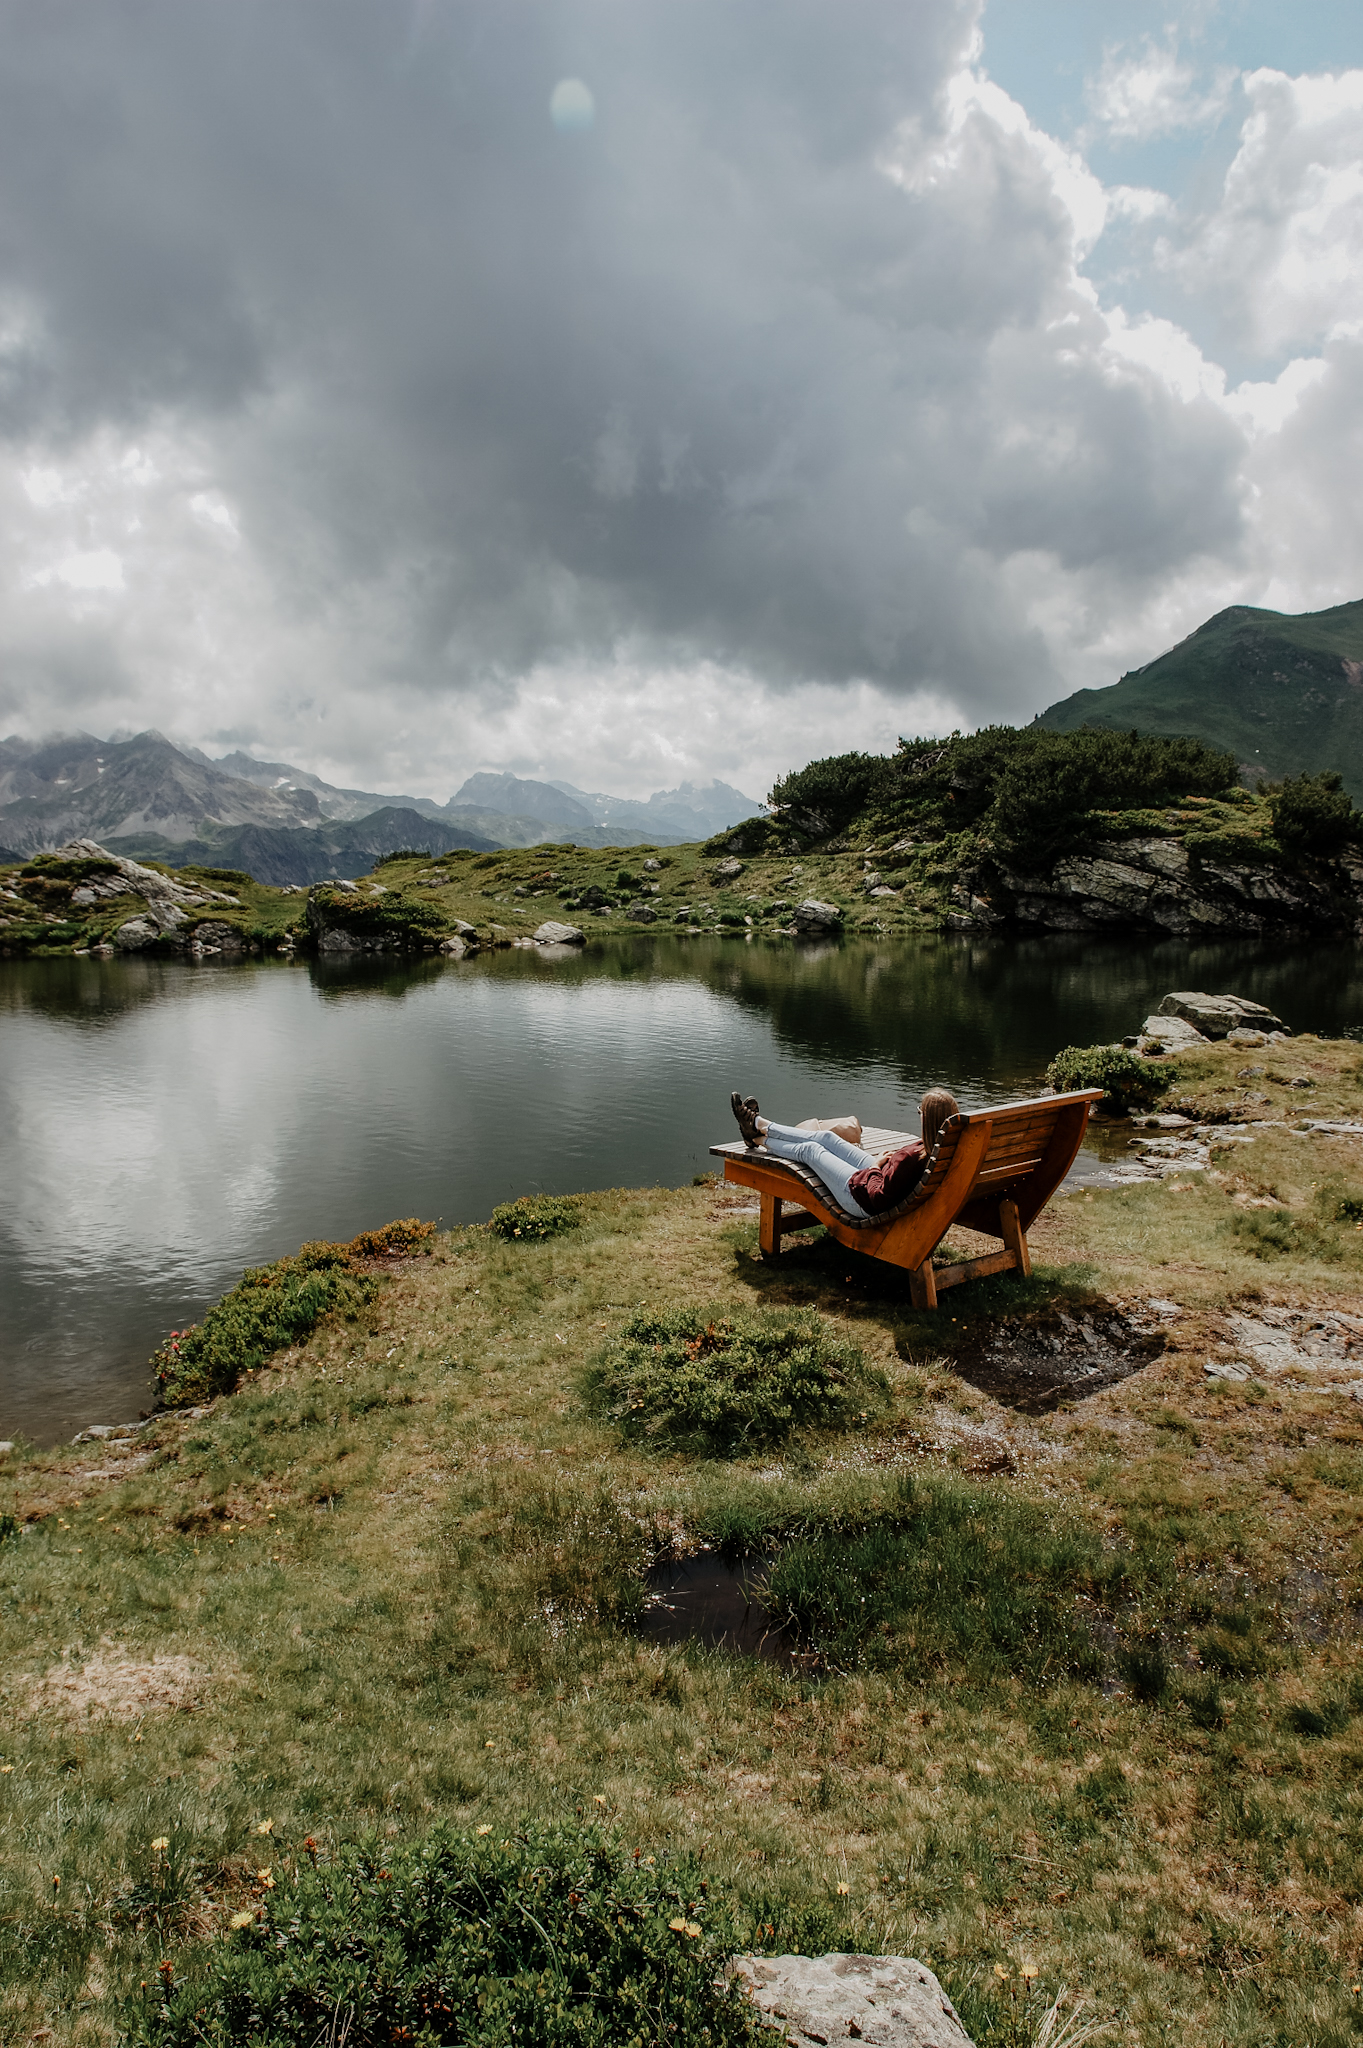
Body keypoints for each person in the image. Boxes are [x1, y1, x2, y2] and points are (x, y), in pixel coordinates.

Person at [729, 1087, 960, 1216]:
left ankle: (757, 1138)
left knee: (811, 1150)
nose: (918, 1114)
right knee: (826, 1136)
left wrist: (872, 1168)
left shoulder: (912, 1158)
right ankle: (759, 1125)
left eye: (920, 1111)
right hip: (879, 1178)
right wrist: (879, 1165)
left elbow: (878, 1198)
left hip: (860, 1199)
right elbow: (893, 1181)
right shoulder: (943, 1148)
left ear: (927, 1119)